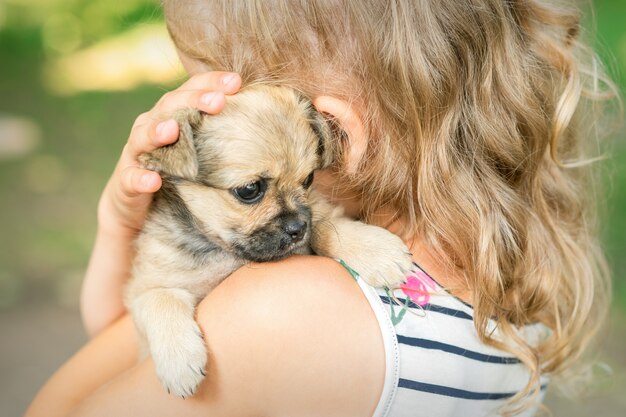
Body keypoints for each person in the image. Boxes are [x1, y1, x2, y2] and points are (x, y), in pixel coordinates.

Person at [25, 1, 617, 416]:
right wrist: (121, 224)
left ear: (331, 128)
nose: (293, 218)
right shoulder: (517, 282)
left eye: (299, 179)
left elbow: (68, 395)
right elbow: (133, 340)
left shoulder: (277, 315)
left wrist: (116, 224)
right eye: (254, 189)